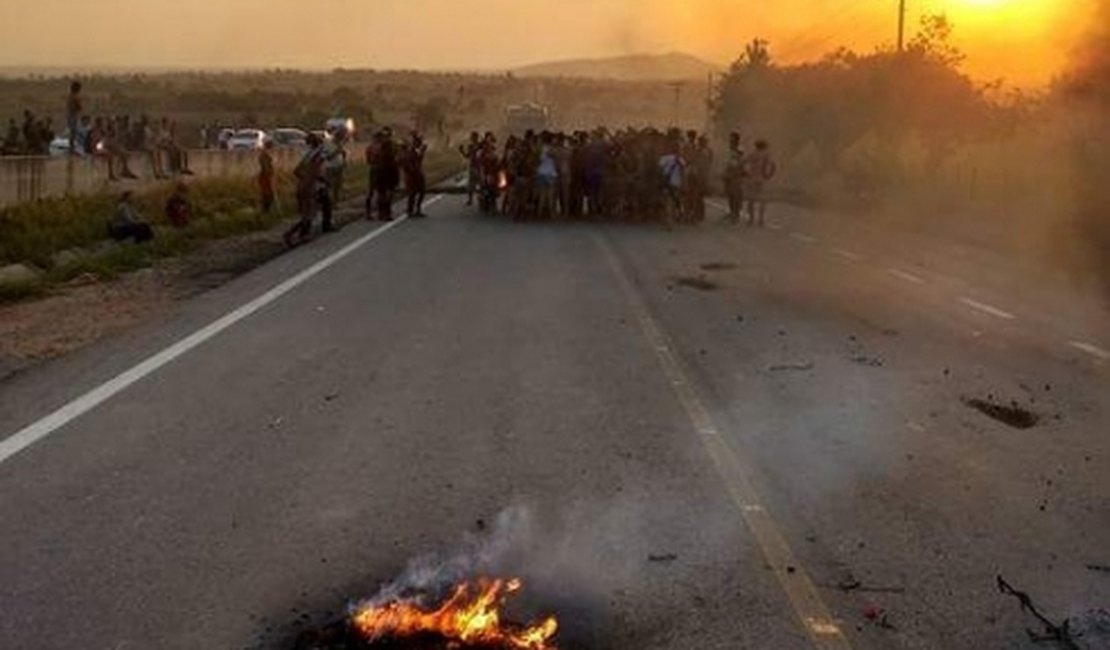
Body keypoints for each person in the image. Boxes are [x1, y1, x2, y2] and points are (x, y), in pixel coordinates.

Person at [284, 133, 326, 246]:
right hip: (310, 186)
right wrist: (321, 180)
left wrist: (304, 178)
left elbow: (296, 171)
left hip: (303, 185)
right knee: (309, 212)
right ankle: (294, 233)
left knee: (306, 212)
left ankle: (303, 234)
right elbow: (316, 173)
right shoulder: (316, 157)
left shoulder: (307, 155)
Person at [744, 139, 777, 227]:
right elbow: (773, 165)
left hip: (752, 178)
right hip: (762, 179)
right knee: (762, 200)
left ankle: (751, 219)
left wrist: (746, 173)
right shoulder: (767, 155)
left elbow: (743, 163)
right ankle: (760, 219)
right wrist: (769, 175)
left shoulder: (752, 154)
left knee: (751, 200)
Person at [372, 128, 400, 221]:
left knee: (384, 193)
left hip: (383, 170)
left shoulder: (380, 147)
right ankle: (385, 212)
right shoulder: (386, 146)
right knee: (386, 193)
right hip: (386, 171)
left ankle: (382, 213)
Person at [402, 131, 428, 218]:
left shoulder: (417, 151)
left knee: (421, 191)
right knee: (412, 193)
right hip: (411, 174)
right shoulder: (410, 151)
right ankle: (410, 210)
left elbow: (419, 160)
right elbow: (408, 162)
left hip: (417, 173)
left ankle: (417, 209)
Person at [460, 131, 481, 206]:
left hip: (479, 166)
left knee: (481, 183)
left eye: (474, 137)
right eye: (472, 137)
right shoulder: (471, 146)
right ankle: (470, 200)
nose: (472, 138)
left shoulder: (480, 145)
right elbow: (467, 156)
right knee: (471, 184)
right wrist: (462, 151)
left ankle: (481, 199)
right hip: (473, 167)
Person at [258, 140, 276, 214]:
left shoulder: (266, 154)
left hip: (267, 175)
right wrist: (269, 175)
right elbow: (265, 166)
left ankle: (267, 209)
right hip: (265, 176)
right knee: (267, 192)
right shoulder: (264, 154)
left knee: (269, 192)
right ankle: (266, 209)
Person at [66, 81, 83, 156]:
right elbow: (78, 107)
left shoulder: (70, 96)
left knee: (72, 132)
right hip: (72, 115)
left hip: (71, 115)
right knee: (73, 132)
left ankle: (71, 148)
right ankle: (71, 149)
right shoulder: (74, 96)